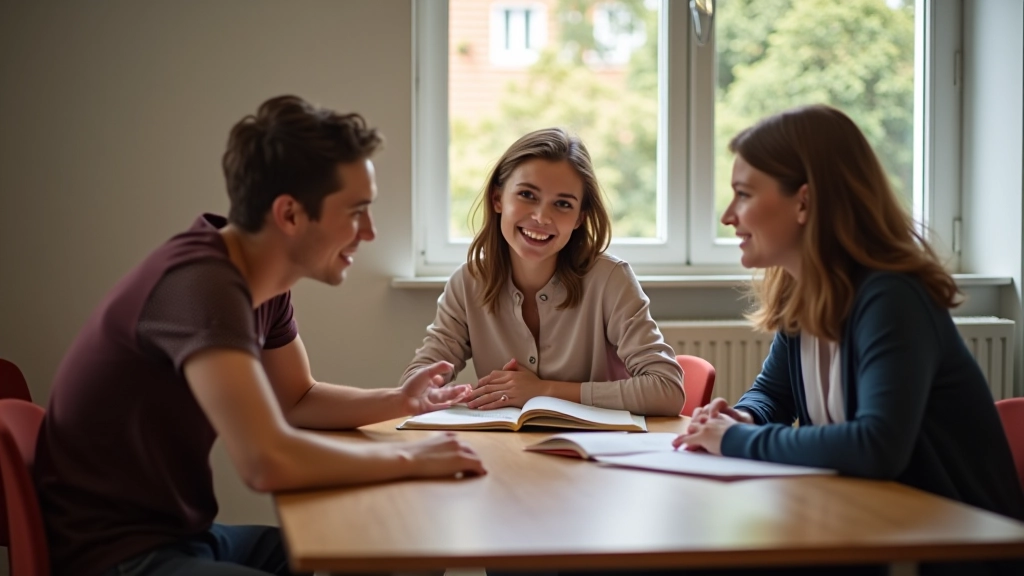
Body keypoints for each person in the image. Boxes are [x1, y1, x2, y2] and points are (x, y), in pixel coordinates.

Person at [33, 95, 486, 576]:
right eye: (356, 211)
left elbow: (296, 399)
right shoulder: (201, 286)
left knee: (377, 548)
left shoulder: (257, 282)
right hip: (115, 556)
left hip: (185, 537)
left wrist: (400, 401)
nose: (369, 232)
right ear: (289, 215)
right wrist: (409, 457)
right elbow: (265, 461)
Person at [674, 104, 1023, 574]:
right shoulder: (807, 292)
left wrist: (735, 439)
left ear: (804, 202)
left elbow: (876, 446)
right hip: (873, 527)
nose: (727, 216)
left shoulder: (892, 297)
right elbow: (772, 394)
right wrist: (744, 414)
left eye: (743, 194)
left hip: (950, 550)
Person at [400, 127, 683, 417]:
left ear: (579, 218)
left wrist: (543, 390)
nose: (541, 217)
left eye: (562, 204)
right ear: (498, 199)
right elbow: (417, 383)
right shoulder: (467, 283)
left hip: (596, 455)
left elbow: (667, 390)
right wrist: (438, 393)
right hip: (504, 451)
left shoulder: (610, 279)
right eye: (527, 195)